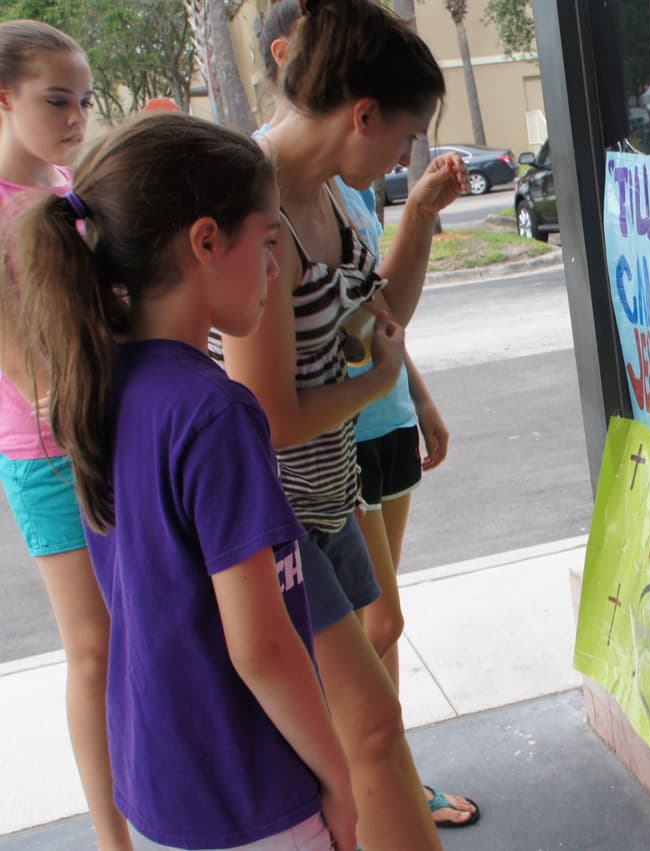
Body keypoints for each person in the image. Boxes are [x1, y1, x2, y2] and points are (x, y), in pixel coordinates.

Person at [12, 112, 356, 851]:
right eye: (266, 243)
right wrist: (339, 775)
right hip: (251, 794)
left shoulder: (96, 381)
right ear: (205, 241)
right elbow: (259, 646)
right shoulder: (215, 410)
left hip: (162, 786)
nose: (274, 269)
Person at [213, 1, 467, 847]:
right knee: (366, 738)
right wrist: (384, 382)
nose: (404, 157)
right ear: (362, 115)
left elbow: (380, 310)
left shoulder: (323, 193)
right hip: (273, 519)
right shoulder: (260, 209)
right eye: (404, 139)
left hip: (327, 500)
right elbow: (270, 419)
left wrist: (421, 217)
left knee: (367, 735)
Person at [0, 21, 130, 850]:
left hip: (106, 431)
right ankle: (111, 836)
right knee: (93, 649)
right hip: (47, 455)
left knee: (135, 634)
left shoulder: (62, 181)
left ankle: (153, 798)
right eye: (58, 100)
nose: (78, 115)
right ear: (3, 98)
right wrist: (58, 397)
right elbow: (20, 357)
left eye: (84, 99)